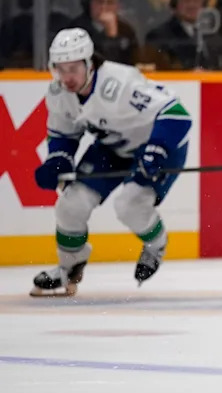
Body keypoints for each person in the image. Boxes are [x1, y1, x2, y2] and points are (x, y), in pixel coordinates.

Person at [30, 28, 192, 297]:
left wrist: (156, 149)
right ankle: (68, 267)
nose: (67, 77)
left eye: (73, 69)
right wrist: (57, 162)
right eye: (60, 69)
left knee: (130, 205)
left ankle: (156, 245)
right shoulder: (59, 93)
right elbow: (63, 135)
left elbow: (177, 114)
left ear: (89, 63)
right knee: (70, 204)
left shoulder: (119, 83)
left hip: (157, 146)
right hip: (113, 147)